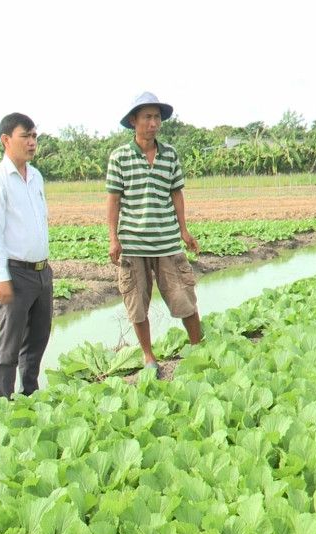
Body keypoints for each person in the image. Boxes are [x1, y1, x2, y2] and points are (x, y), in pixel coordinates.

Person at [106, 92, 202, 373]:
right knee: (137, 304)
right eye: (147, 117)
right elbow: (114, 200)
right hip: (133, 245)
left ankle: (199, 349)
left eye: (157, 117)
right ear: (133, 121)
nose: (154, 123)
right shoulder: (120, 157)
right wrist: (114, 238)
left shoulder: (169, 154)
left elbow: (176, 193)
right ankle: (149, 357)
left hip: (166, 243)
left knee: (184, 298)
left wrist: (184, 231)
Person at [0, 113, 52, 399]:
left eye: (35, 136)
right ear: (6, 140)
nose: (32, 142)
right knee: (10, 346)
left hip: (42, 272)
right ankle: (3, 403)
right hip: (16, 273)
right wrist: (1, 275)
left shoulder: (36, 177)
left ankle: (29, 395)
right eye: (26, 136)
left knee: (37, 340)